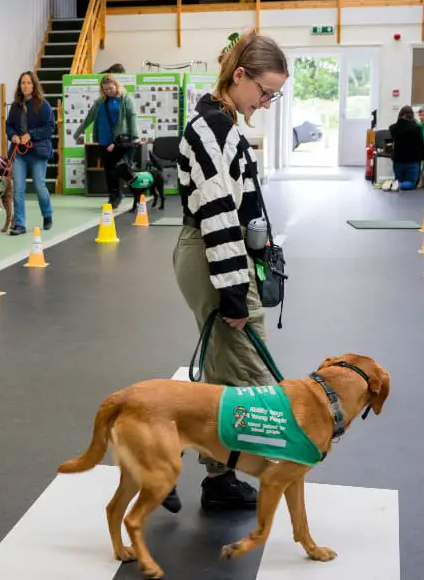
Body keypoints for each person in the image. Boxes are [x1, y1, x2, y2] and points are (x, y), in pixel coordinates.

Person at [165, 29, 289, 514]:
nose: (268, 101)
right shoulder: (212, 128)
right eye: (265, 91)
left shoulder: (225, 122)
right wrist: (236, 292)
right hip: (214, 254)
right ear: (239, 76)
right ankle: (168, 453)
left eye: (274, 94)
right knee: (249, 372)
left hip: (222, 253)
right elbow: (217, 213)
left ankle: (215, 477)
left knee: (221, 372)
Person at [71, 74, 138, 209]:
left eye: (110, 88)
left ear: (116, 85)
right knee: (108, 170)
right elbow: (89, 118)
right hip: (103, 141)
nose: (108, 91)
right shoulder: (100, 102)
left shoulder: (126, 99)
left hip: (119, 141)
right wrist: (78, 132)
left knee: (119, 169)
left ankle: (122, 195)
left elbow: (132, 118)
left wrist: (134, 136)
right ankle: (112, 195)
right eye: (105, 89)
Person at [5, 71, 56, 235]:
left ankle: (47, 214)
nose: (25, 86)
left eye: (28, 83)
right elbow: (9, 125)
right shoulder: (15, 106)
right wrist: (13, 135)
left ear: (34, 85)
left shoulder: (43, 105)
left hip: (38, 152)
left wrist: (31, 135)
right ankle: (20, 224)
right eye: (22, 83)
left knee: (39, 186)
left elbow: (49, 128)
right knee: (18, 188)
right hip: (19, 153)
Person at [389, 105, 424, 190]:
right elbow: (421, 144)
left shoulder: (393, 128)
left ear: (400, 115)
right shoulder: (417, 128)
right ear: (412, 115)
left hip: (398, 160)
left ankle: (396, 184)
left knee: (398, 179)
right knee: (412, 183)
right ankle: (399, 186)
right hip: (412, 161)